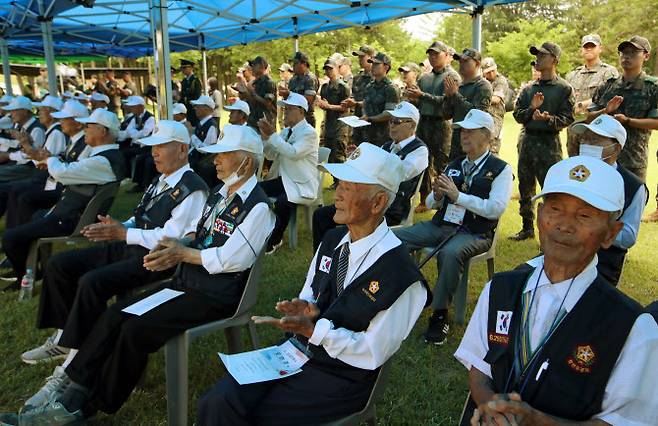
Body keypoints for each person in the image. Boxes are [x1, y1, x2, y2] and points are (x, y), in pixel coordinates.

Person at [17, 124, 275, 424]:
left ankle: (84, 406)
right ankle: (70, 386)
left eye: (223, 154)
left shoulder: (258, 208)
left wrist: (182, 253)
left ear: (247, 160)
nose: (215, 160)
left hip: (215, 295)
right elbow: (200, 236)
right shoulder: (221, 194)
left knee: (134, 331)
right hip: (187, 282)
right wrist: (176, 246)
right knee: (116, 315)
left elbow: (231, 260)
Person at [196, 142, 430, 426]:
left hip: (342, 376)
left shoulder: (402, 276)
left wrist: (315, 330)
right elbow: (311, 291)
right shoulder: (333, 240)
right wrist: (306, 308)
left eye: (348, 187)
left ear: (378, 202)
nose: (337, 194)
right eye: (338, 184)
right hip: (297, 352)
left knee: (254, 416)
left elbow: (372, 352)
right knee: (217, 400)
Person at [455, 156, 657, 426]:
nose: (564, 225)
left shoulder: (631, 328)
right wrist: (489, 404)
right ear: (539, 216)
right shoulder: (500, 289)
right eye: (555, 209)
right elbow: (478, 366)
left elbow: (620, 422)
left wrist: (535, 422)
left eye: (584, 215)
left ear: (611, 233)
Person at [18, 122, 207, 412]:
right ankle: (66, 336)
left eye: (161, 147)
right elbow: (141, 217)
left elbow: (170, 238)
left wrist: (125, 233)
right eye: (152, 147)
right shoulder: (161, 179)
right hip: (130, 245)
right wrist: (118, 227)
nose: (154, 154)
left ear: (182, 149)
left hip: (155, 259)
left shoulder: (193, 188)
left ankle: (70, 365)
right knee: (60, 265)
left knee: (92, 282)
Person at [394, 109, 512, 345]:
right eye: (461, 131)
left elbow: (496, 209)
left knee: (449, 253)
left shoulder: (500, 169)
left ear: (486, 135)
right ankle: (415, 289)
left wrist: (459, 197)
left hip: (474, 233)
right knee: (393, 238)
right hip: (442, 225)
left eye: (470, 131)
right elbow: (430, 204)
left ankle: (440, 315)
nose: (463, 135)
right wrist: (437, 195)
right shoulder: (454, 164)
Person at [1, 109, 127, 283]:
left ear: (102, 131)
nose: (84, 130)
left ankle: (24, 276)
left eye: (88, 126)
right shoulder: (101, 157)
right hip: (68, 213)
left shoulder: (102, 160)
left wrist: (50, 159)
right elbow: (70, 173)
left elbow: (62, 172)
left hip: (71, 220)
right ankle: (32, 266)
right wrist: (50, 161)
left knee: (10, 237)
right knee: (30, 218)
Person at [312, 101, 428, 250]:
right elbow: (369, 172)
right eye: (391, 121)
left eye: (397, 121)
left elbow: (399, 174)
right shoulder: (387, 146)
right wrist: (357, 159)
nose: (392, 125)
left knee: (341, 226)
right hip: (367, 200)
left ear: (412, 125)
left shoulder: (419, 150)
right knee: (321, 215)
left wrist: (371, 159)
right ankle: (321, 263)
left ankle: (343, 263)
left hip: (391, 208)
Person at [586, 36, 658, 221]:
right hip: (603, 158)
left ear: (646, 56)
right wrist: (605, 111)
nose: (627, 56)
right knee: (595, 209)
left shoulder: (652, 87)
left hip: (633, 159)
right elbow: (588, 117)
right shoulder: (608, 85)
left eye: (633, 52)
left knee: (626, 213)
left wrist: (628, 121)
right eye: (624, 52)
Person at [571, 114, 647, 285]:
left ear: (617, 148)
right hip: (563, 252)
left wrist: (590, 228)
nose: (588, 144)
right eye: (587, 139)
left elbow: (628, 236)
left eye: (597, 140)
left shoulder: (633, 187)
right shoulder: (572, 172)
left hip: (602, 265)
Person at [510, 42, 575, 241]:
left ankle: (550, 232)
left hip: (549, 144)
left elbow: (568, 118)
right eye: (537, 55)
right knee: (525, 186)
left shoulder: (564, 89)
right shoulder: (528, 89)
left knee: (551, 190)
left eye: (542, 55)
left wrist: (549, 119)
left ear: (554, 60)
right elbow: (518, 115)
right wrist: (531, 109)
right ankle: (527, 227)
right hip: (528, 141)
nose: (537, 58)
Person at [257, 92, 319, 254]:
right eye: (284, 109)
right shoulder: (285, 132)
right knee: (255, 190)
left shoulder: (309, 133)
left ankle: (275, 239)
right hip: (285, 180)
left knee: (283, 203)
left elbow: (293, 152)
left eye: (289, 109)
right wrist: (266, 138)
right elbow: (270, 155)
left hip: (301, 183)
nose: (285, 113)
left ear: (301, 111)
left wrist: (272, 136)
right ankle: (262, 229)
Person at [405, 41, 461, 212]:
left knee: (443, 163)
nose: (433, 57)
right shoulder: (425, 77)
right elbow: (418, 99)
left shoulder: (452, 77)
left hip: (442, 123)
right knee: (423, 162)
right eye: (430, 54)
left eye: (436, 54)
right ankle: (424, 199)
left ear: (446, 55)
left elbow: (448, 101)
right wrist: (413, 97)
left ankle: (444, 201)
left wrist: (422, 95)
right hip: (424, 122)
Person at [0, 96, 66, 218]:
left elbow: (41, 162)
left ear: (51, 113)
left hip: (37, 175)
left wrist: (25, 145)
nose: (38, 113)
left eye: (41, 110)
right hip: (39, 176)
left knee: (9, 190)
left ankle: (15, 231)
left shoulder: (50, 132)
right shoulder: (50, 131)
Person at [565, 34, 619, 157]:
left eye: (592, 46)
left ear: (600, 48)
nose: (588, 49)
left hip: (597, 130)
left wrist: (582, 104)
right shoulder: (572, 75)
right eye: (585, 47)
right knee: (574, 169)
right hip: (574, 131)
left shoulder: (609, 73)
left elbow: (609, 98)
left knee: (595, 168)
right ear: (581, 50)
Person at [445, 48, 493, 160]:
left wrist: (455, 95)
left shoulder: (482, 86)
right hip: (458, 138)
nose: (461, 65)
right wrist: (448, 97)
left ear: (477, 64)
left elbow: (477, 114)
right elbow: (446, 114)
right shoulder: (459, 86)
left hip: (474, 138)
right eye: (460, 61)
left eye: (466, 61)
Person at [345, 52, 399, 147]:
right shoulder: (370, 86)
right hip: (366, 134)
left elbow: (389, 114)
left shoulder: (390, 88)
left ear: (386, 67)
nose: (373, 66)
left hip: (383, 136)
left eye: (377, 64)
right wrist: (356, 104)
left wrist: (370, 118)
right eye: (372, 63)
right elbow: (368, 103)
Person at [0, 96, 47, 182]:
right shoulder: (21, 126)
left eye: (14, 110)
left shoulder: (37, 129)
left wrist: (7, 155)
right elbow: (17, 145)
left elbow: (32, 155)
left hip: (29, 168)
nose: (11, 114)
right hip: (18, 163)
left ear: (25, 111)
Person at [317, 57, 351, 164]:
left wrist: (329, 106)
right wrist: (322, 105)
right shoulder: (325, 87)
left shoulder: (343, 87)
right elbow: (324, 103)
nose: (328, 71)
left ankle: (341, 180)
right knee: (329, 156)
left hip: (340, 126)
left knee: (339, 156)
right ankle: (335, 180)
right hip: (329, 125)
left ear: (337, 69)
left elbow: (345, 108)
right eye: (326, 69)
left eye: (331, 69)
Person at [344, 45, 375, 146]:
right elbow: (354, 95)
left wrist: (356, 103)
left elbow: (375, 102)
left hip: (373, 124)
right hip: (357, 122)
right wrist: (348, 102)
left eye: (362, 57)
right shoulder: (357, 78)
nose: (360, 60)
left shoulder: (376, 78)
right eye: (359, 57)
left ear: (371, 57)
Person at [280, 51, 319, 128]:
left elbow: (309, 100)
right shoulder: (293, 79)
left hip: (305, 119)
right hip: (292, 118)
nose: (293, 66)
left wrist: (289, 94)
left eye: (295, 63)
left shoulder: (310, 78)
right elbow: (289, 100)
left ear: (304, 64)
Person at [481, 57, 510, 154]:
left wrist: (480, 98)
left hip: (495, 119)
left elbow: (496, 99)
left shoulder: (501, 80)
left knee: (492, 151)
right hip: (482, 119)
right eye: (488, 72)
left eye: (493, 70)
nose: (491, 74)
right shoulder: (482, 81)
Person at [188, 95, 219, 187]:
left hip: (202, 160)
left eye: (198, 106)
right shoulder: (201, 123)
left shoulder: (211, 125)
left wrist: (192, 135)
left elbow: (206, 149)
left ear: (207, 108)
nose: (195, 108)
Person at [241, 56, 277, 130]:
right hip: (253, 122)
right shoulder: (254, 83)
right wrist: (244, 93)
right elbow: (253, 102)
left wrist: (252, 92)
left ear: (262, 67)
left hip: (265, 124)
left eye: (254, 65)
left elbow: (268, 103)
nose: (252, 68)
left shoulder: (269, 83)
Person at [180, 59, 203, 126]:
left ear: (191, 68)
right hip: (185, 109)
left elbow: (197, 96)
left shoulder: (195, 80)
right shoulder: (184, 81)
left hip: (193, 110)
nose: (182, 70)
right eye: (181, 68)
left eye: (184, 67)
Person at [277, 63, 293, 129]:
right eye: (280, 71)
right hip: (282, 107)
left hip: (291, 108)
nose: (281, 73)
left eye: (283, 71)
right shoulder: (280, 83)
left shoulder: (293, 82)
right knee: (281, 122)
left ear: (288, 72)